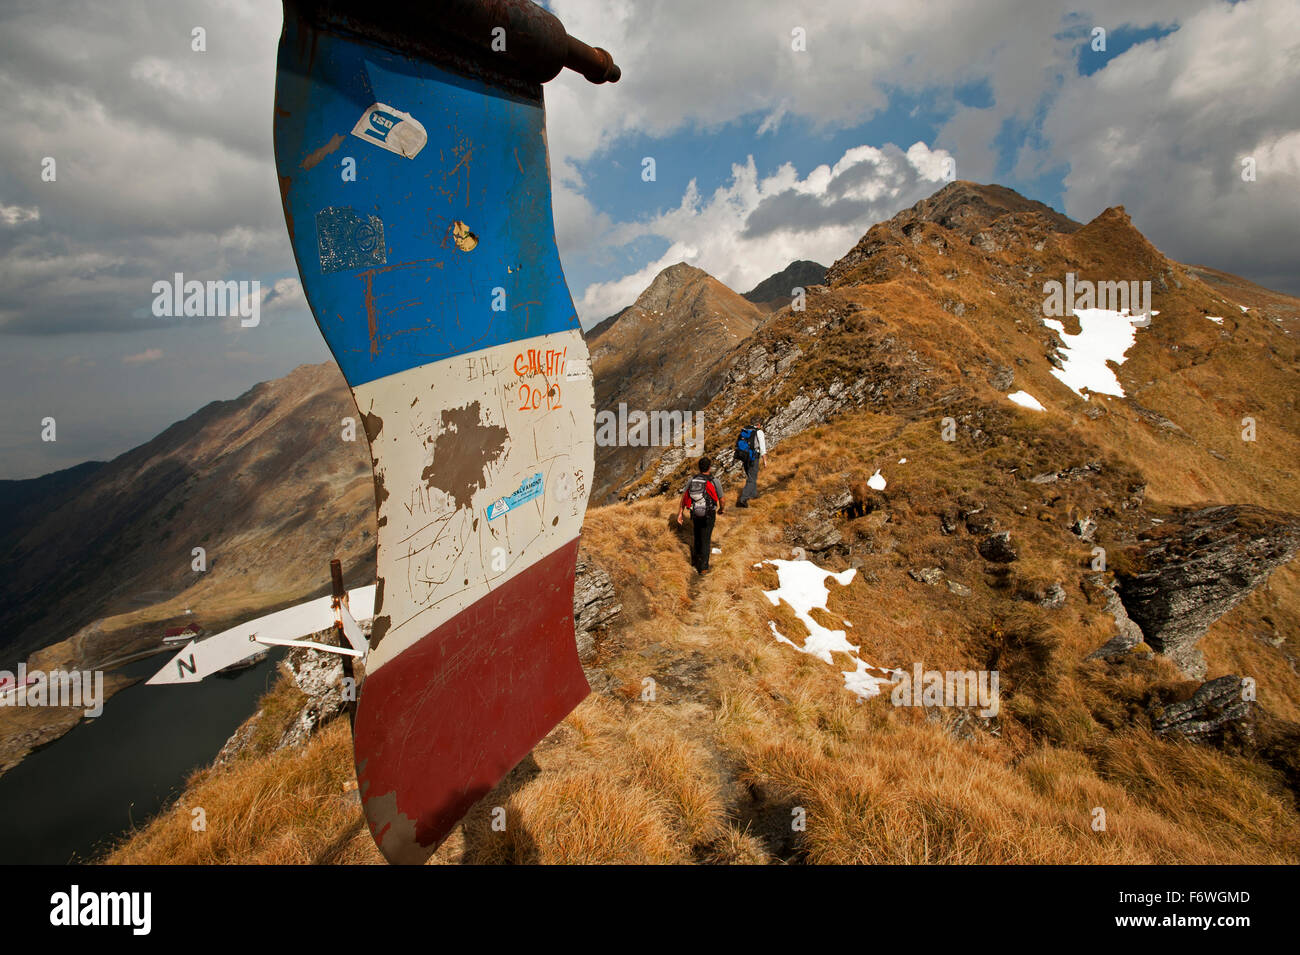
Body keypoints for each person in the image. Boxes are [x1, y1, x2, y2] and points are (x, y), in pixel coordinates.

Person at [677, 456, 723, 574]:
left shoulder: (692, 480)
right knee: (706, 539)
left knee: (697, 536)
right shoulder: (714, 481)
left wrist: (680, 514)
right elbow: (721, 499)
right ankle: (703, 567)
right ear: (709, 467)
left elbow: (684, 497)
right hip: (709, 514)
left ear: (699, 467)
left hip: (695, 513)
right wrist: (721, 509)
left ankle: (695, 561)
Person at [735, 420, 767, 507]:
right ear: (759, 424)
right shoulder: (759, 432)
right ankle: (743, 499)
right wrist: (765, 461)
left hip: (744, 457)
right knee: (752, 479)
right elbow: (762, 448)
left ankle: (753, 495)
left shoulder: (745, 430)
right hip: (753, 456)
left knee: (751, 476)